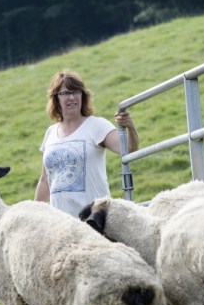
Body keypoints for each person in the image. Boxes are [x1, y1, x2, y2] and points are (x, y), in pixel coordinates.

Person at [34, 70, 140, 217]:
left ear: (83, 96)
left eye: (76, 92)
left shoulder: (97, 125)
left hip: (94, 220)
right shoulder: (51, 133)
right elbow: (45, 181)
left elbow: (128, 149)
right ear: (56, 98)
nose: (72, 97)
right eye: (65, 93)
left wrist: (130, 126)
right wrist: (34, 213)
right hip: (61, 223)